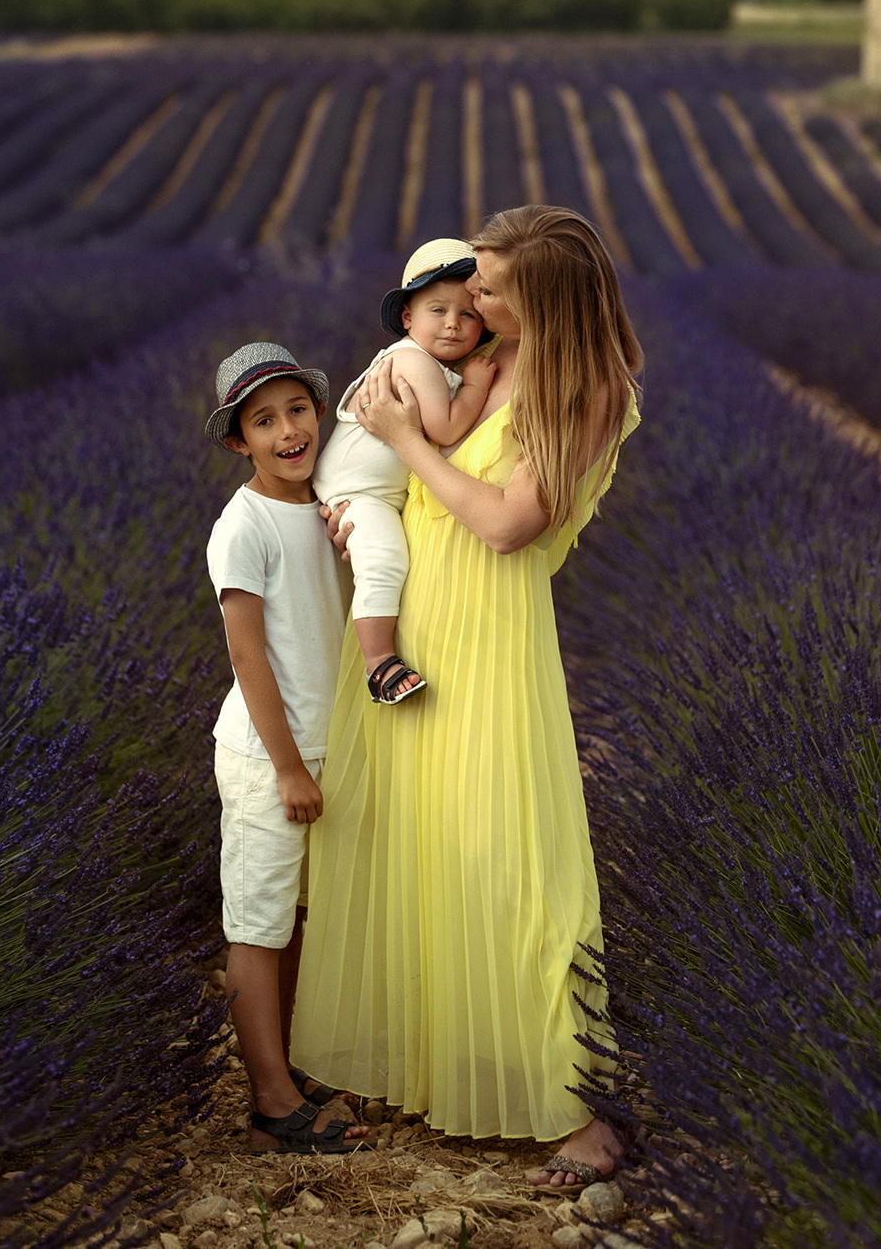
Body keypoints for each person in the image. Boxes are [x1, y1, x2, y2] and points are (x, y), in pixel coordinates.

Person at [292, 206, 642, 1187]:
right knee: (411, 836)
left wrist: (406, 441)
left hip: (488, 631)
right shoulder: (484, 358)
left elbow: (506, 524)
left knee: (511, 853)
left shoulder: (589, 387)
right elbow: (411, 482)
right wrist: (361, 511)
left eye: (489, 286)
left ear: (544, 299)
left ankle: (577, 1109)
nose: (470, 296)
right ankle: (426, 1062)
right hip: (413, 614)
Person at [204, 341, 372, 1156]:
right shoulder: (243, 526)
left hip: (322, 747)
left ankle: (296, 1063)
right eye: (263, 422)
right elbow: (248, 657)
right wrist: (288, 768)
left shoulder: (327, 506)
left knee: (300, 918)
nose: (288, 432)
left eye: (297, 411)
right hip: (269, 757)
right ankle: (270, 1100)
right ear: (240, 442)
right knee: (260, 924)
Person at [313, 238, 495, 705]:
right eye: (438, 310)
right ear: (408, 318)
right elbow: (446, 428)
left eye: (468, 314)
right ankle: (378, 662)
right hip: (360, 492)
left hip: (371, 488)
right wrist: (475, 387)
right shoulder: (414, 361)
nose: (453, 323)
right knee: (384, 559)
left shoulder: (424, 360)